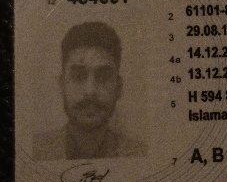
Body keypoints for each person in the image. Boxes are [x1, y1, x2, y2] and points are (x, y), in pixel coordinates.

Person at [33, 21, 147, 160]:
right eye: (78, 77)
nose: (90, 91)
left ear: (118, 87)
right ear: (61, 85)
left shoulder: (141, 156)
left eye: (103, 77)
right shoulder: (36, 153)